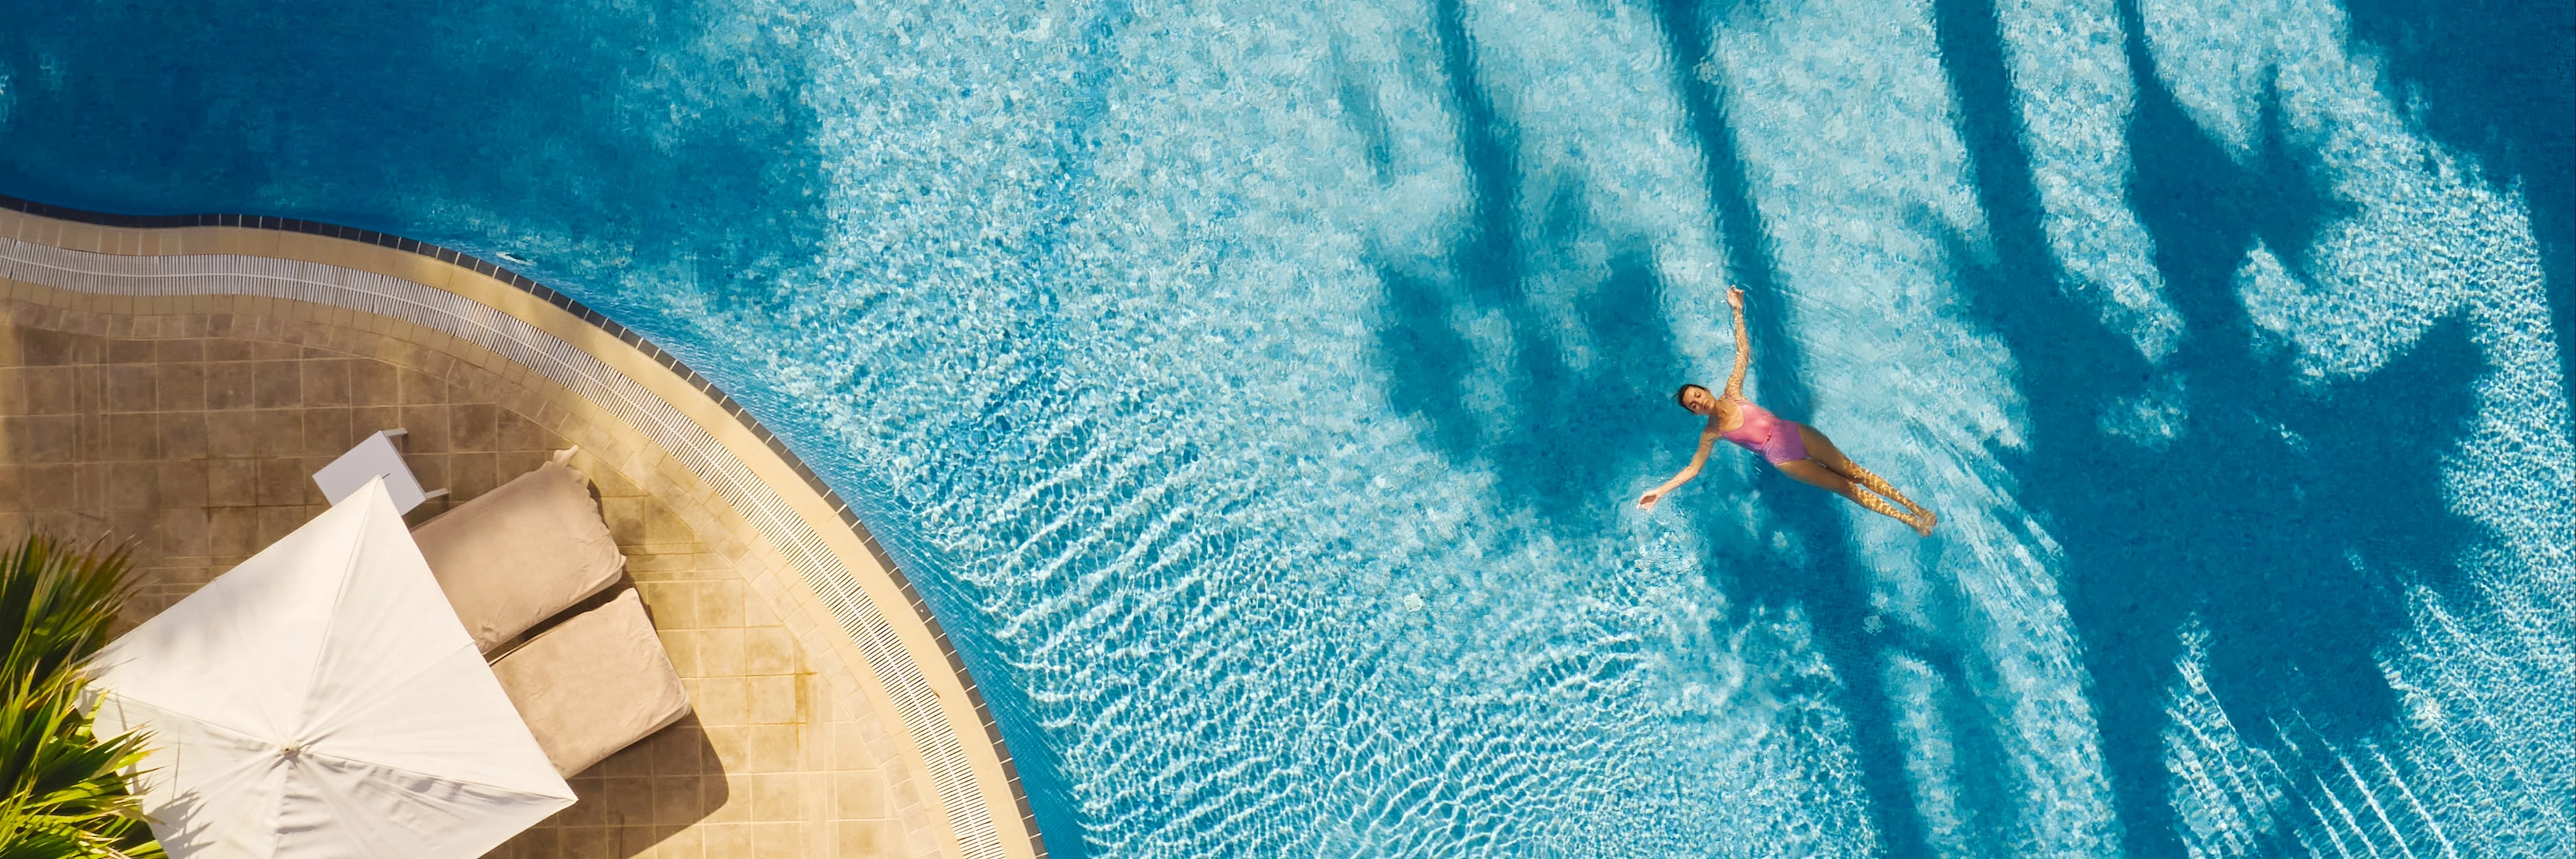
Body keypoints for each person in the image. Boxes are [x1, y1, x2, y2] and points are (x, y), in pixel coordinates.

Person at [1636, 288, 1937, 536]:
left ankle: (1916, 509)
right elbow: (1693, 469)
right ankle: (1910, 522)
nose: (1699, 401)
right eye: (1693, 405)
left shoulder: (1732, 391)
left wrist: (1737, 312)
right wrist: (1660, 492)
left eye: (1697, 395)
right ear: (1694, 413)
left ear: (1705, 390)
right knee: (1848, 489)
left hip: (1794, 433)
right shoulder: (1711, 433)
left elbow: (1743, 352)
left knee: (1854, 471)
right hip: (1785, 459)